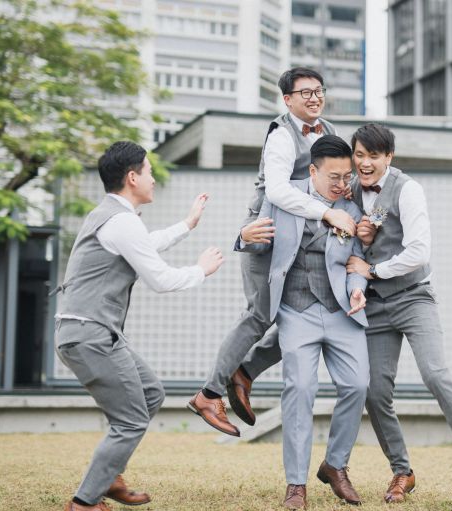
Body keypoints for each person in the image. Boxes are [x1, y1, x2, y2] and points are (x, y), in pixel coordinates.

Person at [236, 124, 452, 509]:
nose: (365, 163)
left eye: (374, 156)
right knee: (373, 392)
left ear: (389, 157)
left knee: (436, 374)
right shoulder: (347, 189)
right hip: (370, 304)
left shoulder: (408, 190)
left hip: (412, 296)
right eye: (360, 155)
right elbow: (312, 210)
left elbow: (419, 252)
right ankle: (402, 470)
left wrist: (372, 270)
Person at [53, 141, 224, 511]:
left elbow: (144, 244)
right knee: (131, 420)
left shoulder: (111, 216)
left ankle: (110, 475)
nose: (153, 179)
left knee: (150, 393)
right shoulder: (121, 220)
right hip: (90, 334)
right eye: (149, 171)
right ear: (132, 177)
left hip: (94, 331)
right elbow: (160, 279)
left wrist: (187, 224)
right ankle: (84, 502)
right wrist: (201, 270)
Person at [187, 67, 357, 436]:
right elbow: (277, 191)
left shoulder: (330, 131)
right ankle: (209, 394)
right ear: (287, 100)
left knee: (306, 315)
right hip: (267, 235)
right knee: (260, 315)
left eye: (319, 90)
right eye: (305, 92)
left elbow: (334, 178)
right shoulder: (281, 135)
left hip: (304, 241)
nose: (314, 97)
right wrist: (326, 211)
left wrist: (346, 190)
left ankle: (245, 371)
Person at [237, 135, 369, 509]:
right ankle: (296, 484)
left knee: (358, 385)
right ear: (313, 171)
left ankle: (335, 465)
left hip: (341, 310)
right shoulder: (283, 196)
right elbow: (258, 242)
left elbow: (356, 261)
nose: (342, 184)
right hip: (296, 310)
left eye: (346, 177)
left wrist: (357, 289)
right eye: (334, 177)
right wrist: (243, 237)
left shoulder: (353, 209)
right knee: (300, 389)